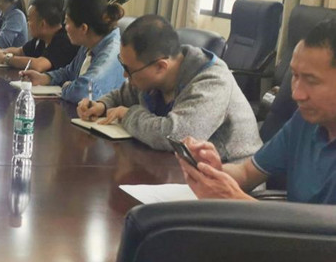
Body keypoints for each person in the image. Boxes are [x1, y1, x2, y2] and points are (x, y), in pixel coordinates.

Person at [178, 19, 336, 204]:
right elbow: (246, 173)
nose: (296, 94)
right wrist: (211, 170)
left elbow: (320, 225)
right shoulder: (303, 121)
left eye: (312, 81)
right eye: (295, 75)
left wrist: (236, 198)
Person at [78, 15, 261, 161]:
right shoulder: (153, 75)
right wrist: (101, 105)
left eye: (129, 69)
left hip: (231, 178)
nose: (125, 75)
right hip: (178, 168)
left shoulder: (212, 81)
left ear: (161, 66)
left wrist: (128, 115)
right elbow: (123, 95)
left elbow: (175, 136)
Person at [20, 0, 125, 103]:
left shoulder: (110, 54)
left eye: (67, 22)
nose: (64, 27)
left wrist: (66, 87)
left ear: (83, 28)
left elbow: (83, 91)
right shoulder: (89, 41)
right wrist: (44, 78)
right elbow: (69, 72)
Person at [0, 0, 78, 71]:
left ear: (42, 24)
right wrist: (1, 51)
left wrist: (5, 59)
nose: (27, 23)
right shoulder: (41, 38)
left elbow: (39, 65)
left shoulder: (64, 39)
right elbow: (21, 51)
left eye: (29, 19)